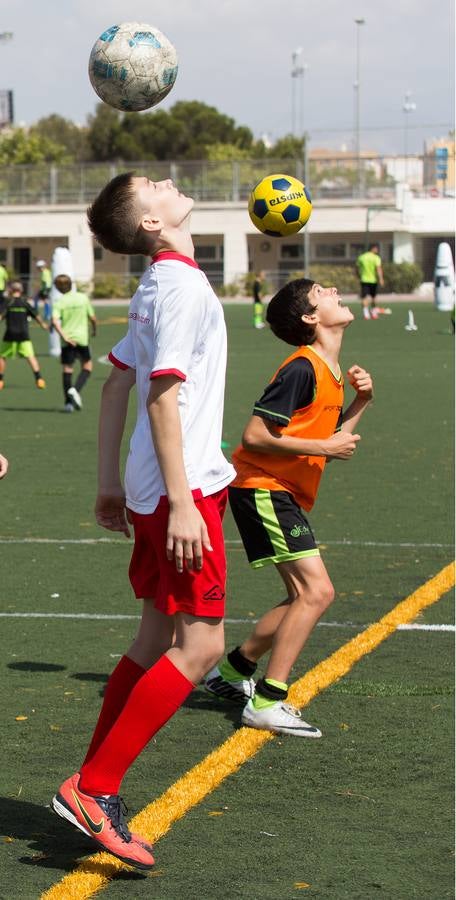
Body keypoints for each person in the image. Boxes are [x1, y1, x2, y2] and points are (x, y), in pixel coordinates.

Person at [50, 173, 235, 870]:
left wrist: (109, 483)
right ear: (153, 223)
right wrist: (185, 501)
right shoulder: (179, 289)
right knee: (202, 645)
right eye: (152, 184)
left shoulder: (159, 284)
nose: (167, 179)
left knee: (156, 633)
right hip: (179, 488)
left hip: (153, 483)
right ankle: (95, 788)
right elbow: (159, 399)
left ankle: (90, 783)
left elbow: (115, 381)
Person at [205, 278, 374, 737]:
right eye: (322, 291)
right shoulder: (301, 368)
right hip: (262, 486)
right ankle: (267, 700)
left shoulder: (329, 370)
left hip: (279, 489)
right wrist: (325, 444)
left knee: (303, 594)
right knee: (316, 592)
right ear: (309, 317)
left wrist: (361, 401)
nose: (334, 289)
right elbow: (255, 436)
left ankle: (236, 670)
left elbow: (332, 440)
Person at [51, 275, 97, 412]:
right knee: (87, 366)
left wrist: (64, 336)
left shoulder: (60, 302)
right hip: (82, 338)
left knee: (67, 369)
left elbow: (54, 321)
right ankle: (75, 390)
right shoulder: (82, 298)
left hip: (68, 340)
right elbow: (93, 317)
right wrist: (95, 330)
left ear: (58, 288)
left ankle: (68, 404)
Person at [0, 281, 47, 390]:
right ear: (21, 291)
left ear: (11, 291)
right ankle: (39, 379)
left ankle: (0, 380)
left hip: (10, 334)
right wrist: (44, 325)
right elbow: (36, 315)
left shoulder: (8, 303)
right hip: (24, 335)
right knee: (30, 357)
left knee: (2, 357)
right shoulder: (25, 303)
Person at [356, 243, 384, 319]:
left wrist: (358, 276)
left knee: (364, 297)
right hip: (373, 280)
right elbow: (378, 269)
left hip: (364, 280)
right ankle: (374, 313)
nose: (377, 250)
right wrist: (381, 279)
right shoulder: (376, 258)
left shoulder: (361, 257)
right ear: (373, 248)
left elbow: (357, 268)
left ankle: (366, 314)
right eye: (376, 248)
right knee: (374, 297)